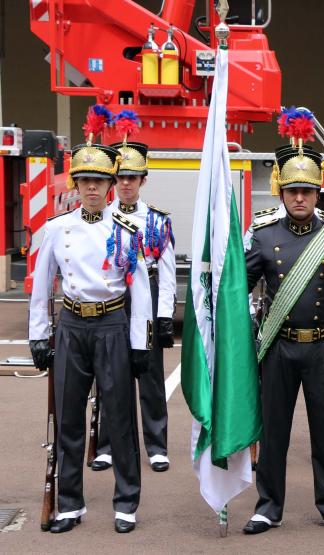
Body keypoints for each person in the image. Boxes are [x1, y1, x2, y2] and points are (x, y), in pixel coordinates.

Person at [29, 125, 152, 533]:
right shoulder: (57, 229)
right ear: (76, 184)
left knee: (119, 417)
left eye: (100, 182)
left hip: (112, 324)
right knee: (67, 420)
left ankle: (126, 502)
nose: (92, 189)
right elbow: (42, 284)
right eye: (85, 181)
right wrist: (38, 334)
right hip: (72, 326)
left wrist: (140, 343)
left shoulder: (127, 229)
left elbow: (142, 290)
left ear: (112, 185)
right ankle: (69, 504)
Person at [242, 125, 324, 535]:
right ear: (281, 193)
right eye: (292, 190)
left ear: (317, 194)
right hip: (278, 348)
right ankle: (267, 506)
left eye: (307, 191)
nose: (299, 198)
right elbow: (236, 290)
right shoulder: (262, 236)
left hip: (321, 350)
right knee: (273, 433)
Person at [93, 133, 176, 473]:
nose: (126, 183)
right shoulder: (99, 217)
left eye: (132, 177)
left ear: (143, 180)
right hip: (113, 299)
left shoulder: (157, 220)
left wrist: (165, 314)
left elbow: (167, 271)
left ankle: (156, 446)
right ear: (113, 180)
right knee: (110, 375)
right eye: (121, 177)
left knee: (151, 374)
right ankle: (108, 445)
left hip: (149, 295)